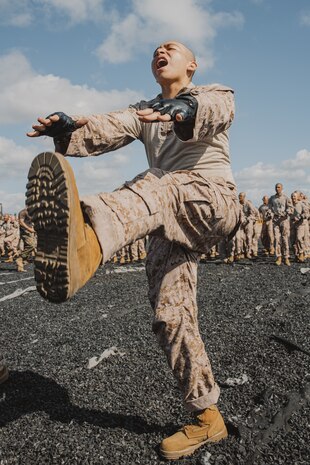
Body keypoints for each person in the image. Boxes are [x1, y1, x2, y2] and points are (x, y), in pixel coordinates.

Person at [26, 40, 240, 460]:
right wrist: (69, 130)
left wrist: (187, 110)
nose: (161, 51)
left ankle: (89, 240)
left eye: (172, 48)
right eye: (156, 50)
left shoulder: (214, 92)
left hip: (212, 198)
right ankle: (206, 417)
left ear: (192, 65)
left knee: (158, 181)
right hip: (169, 219)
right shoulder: (145, 110)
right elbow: (108, 125)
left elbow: (218, 110)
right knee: (170, 314)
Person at [268, 183, 292, 266]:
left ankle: (286, 257)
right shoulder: (272, 198)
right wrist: (270, 213)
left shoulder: (286, 198)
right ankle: (279, 257)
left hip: (284, 220)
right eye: (276, 187)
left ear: (282, 188)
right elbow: (269, 208)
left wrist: (287, 212)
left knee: (285, 239)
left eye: (278, 187)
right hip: (275, 220)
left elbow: (290, 207)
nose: (277, 189)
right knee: (277, 239)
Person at [15, 207, 36, 272]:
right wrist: (29, 229)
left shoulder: (32, 212)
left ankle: (20, 266)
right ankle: (20, 258)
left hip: (30, 231)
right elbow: (21, 222)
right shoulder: (23, 212)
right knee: (31, 246)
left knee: (30, 246)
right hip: (25, 231)